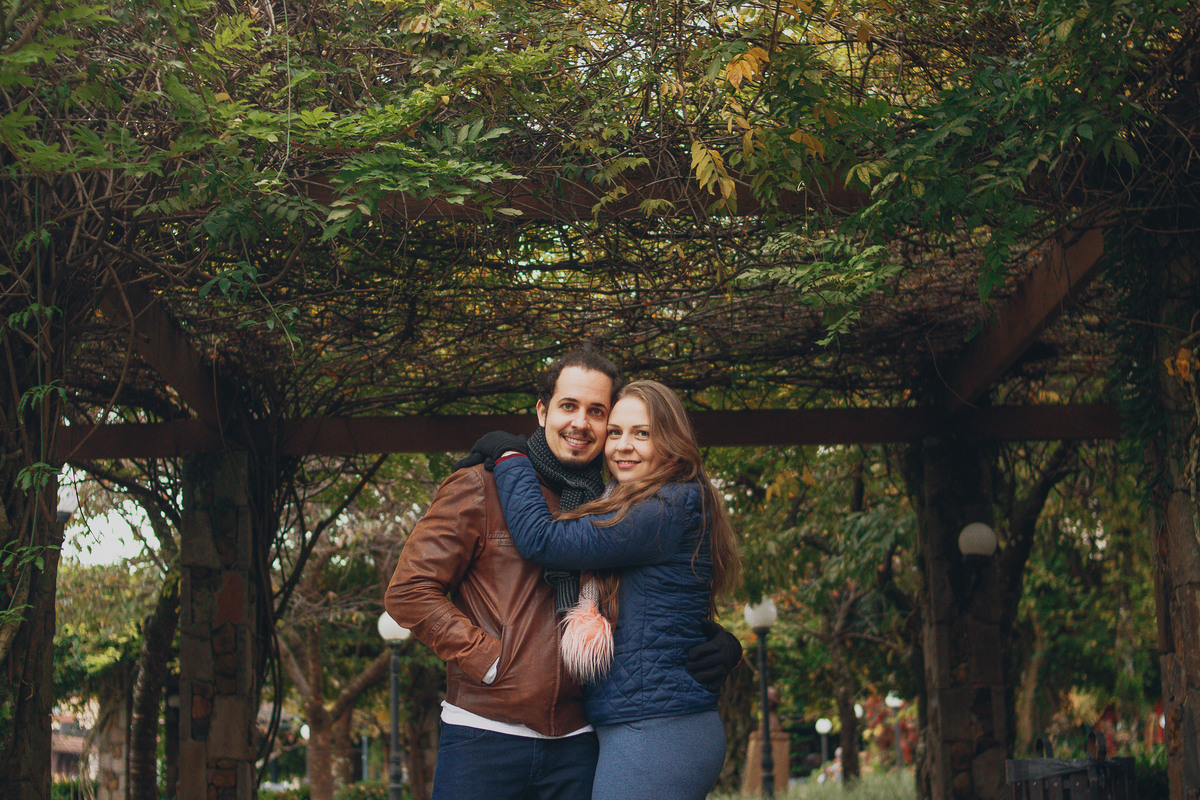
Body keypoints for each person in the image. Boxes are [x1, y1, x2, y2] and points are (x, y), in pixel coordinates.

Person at [384, 349, 740, 800]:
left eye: (597, 412)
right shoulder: (481, 484)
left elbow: (653, 596)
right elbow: (409, 590)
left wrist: (715, 639)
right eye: (568, 406)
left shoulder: (617, 501)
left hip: (580, 741)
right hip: (486, 734)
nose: (581, 423)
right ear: (542, 411)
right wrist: (487, 660)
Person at [474, 380, 742, 800]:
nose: (623, 446)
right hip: (644, 723)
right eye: (615, 432)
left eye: (642, 433)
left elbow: (544, 540)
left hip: (658, 729)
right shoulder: (634, 501)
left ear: (671, 441)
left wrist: (511, 458)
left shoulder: (664, 506)